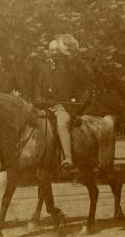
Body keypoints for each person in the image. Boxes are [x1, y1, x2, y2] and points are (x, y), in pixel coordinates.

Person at [36, 34, 88, 170]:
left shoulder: (67, 67)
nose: (54, 53)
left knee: (61, 124)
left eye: (56, 50)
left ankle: (68, 158)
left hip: (63, 107)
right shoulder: (43, 68)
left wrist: (67, 103)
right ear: (47, 52)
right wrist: (39, 99)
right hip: (46, 106)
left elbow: (72, 87)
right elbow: (38, 86)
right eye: (51, 50)